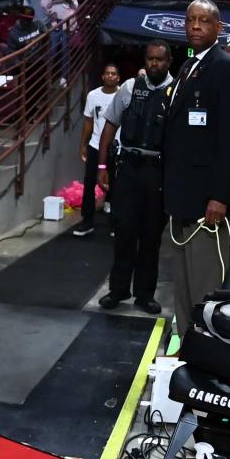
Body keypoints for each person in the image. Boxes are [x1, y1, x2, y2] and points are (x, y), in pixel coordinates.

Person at [161, 0, 230, 336]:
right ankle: (188, 351)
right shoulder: (187, 67)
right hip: (182, 200)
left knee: (207, 290)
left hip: (209, 205)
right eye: (190, 20)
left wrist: (219, 195)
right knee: (182, 289)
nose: (195, 26)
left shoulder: (228, 68)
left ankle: (211, 360)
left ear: (218, 26)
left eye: (204, 21)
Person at [96, 41, 173, 313]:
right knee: (124, 232)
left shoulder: (177, 93)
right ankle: (118, 291)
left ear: (168, 62)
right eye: (151, 59)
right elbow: (110, 125)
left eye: (160, 60)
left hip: (157, 172)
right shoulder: (129, 88)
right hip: (127, 168)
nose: (155, 64)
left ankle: (144, 295)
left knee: (151, 237)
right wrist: (102, 166)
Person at [73, 63, 120, 237]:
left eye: (113, 73)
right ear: (102, 76)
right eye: (107, 73)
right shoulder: (93, 95)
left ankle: (115, 224)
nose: (110, 76)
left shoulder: (123, 95)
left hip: (115, 148)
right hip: (95, 145)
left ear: (118, 77)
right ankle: (87, 222)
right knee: (89, 184)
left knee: (116, 186)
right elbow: (88, 121)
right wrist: (82, 145)